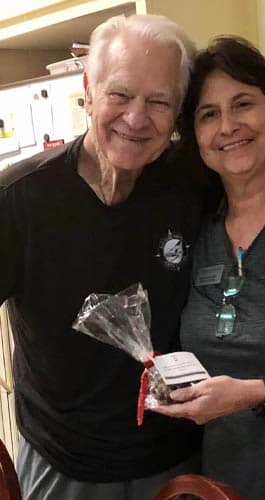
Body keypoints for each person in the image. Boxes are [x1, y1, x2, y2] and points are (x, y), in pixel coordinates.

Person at [0, 14, 213, 500]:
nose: (136, 119)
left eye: (158, 101)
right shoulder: (18, 197)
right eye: (119, 94)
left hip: (178, 457)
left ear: (178, 110)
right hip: (64, 463)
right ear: (88, 90)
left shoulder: (193, 183)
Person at [152, 36, 265, 500]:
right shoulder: (200, 229)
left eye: (243, 104)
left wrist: (259, 392)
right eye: (208, 114)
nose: (228, 126)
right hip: (226, 484)